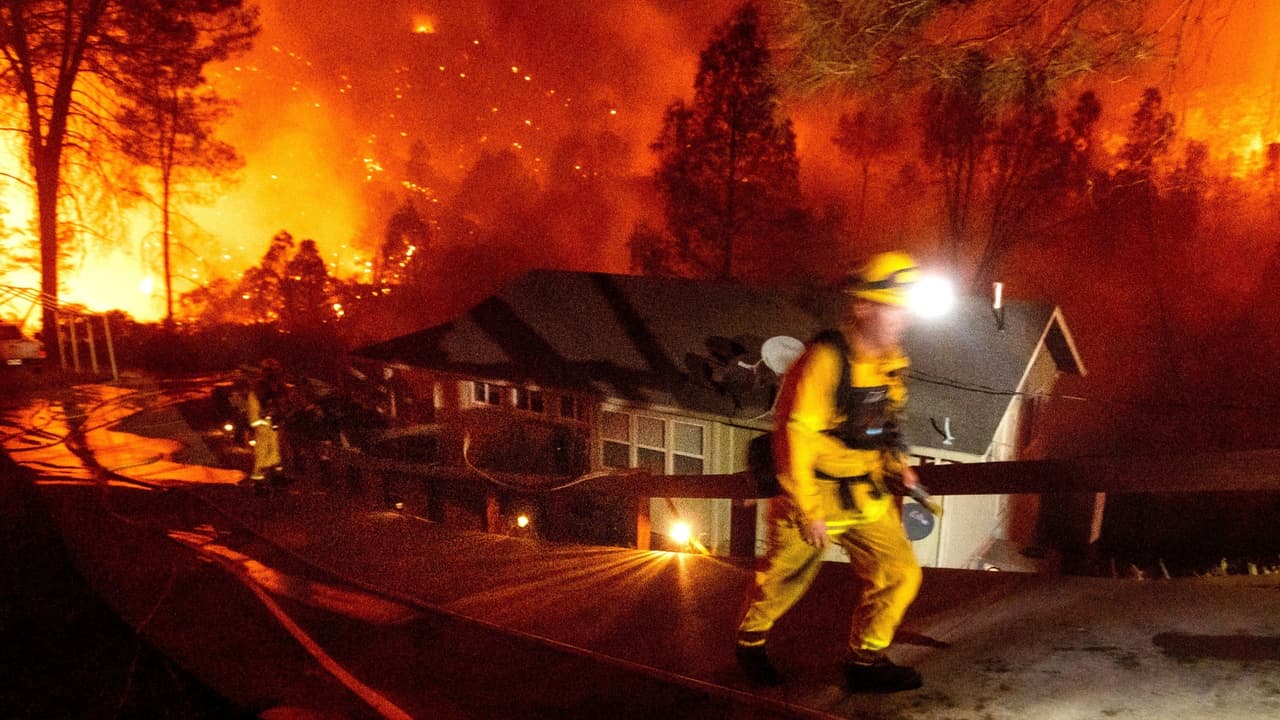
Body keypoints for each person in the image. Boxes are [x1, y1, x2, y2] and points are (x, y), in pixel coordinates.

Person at [735, 251, 926, 693]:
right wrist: (807, 510)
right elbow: (796, 435)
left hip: (866, 492)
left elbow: (881, 425)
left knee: (900, 574)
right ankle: (750, 641)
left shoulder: (890, 361)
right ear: (864, 307)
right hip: (814, 496)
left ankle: (866, 660)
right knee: (784, 579)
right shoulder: (826, 361)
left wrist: (900, 468)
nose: (904, 318)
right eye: (895, 307)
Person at [246, 358, 287, 494]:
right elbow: (254, 408)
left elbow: (282, 402)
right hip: (263, 425)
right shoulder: (258, 387)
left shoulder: (278, 385)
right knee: (263, 453)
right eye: (272, 370)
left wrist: (280, 415)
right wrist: (261, 420)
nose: (275, 373)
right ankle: (258, 482)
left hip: (274, 423)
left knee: (276, 451)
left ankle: (277, 477)